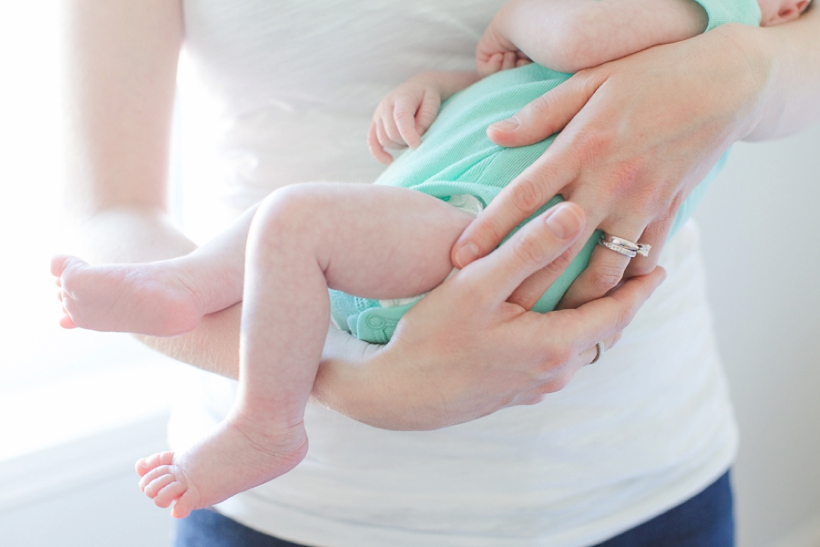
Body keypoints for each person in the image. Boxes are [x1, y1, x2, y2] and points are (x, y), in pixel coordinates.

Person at [58, 0, 820, 544]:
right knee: (282, 230)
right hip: (312, 506)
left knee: (292, 225)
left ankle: (265, 416)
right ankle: (188, 288)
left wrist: (510, 18)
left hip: (526, 315)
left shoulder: (714, 14)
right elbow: (517, 95)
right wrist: (437, 94)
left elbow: (573, 27)